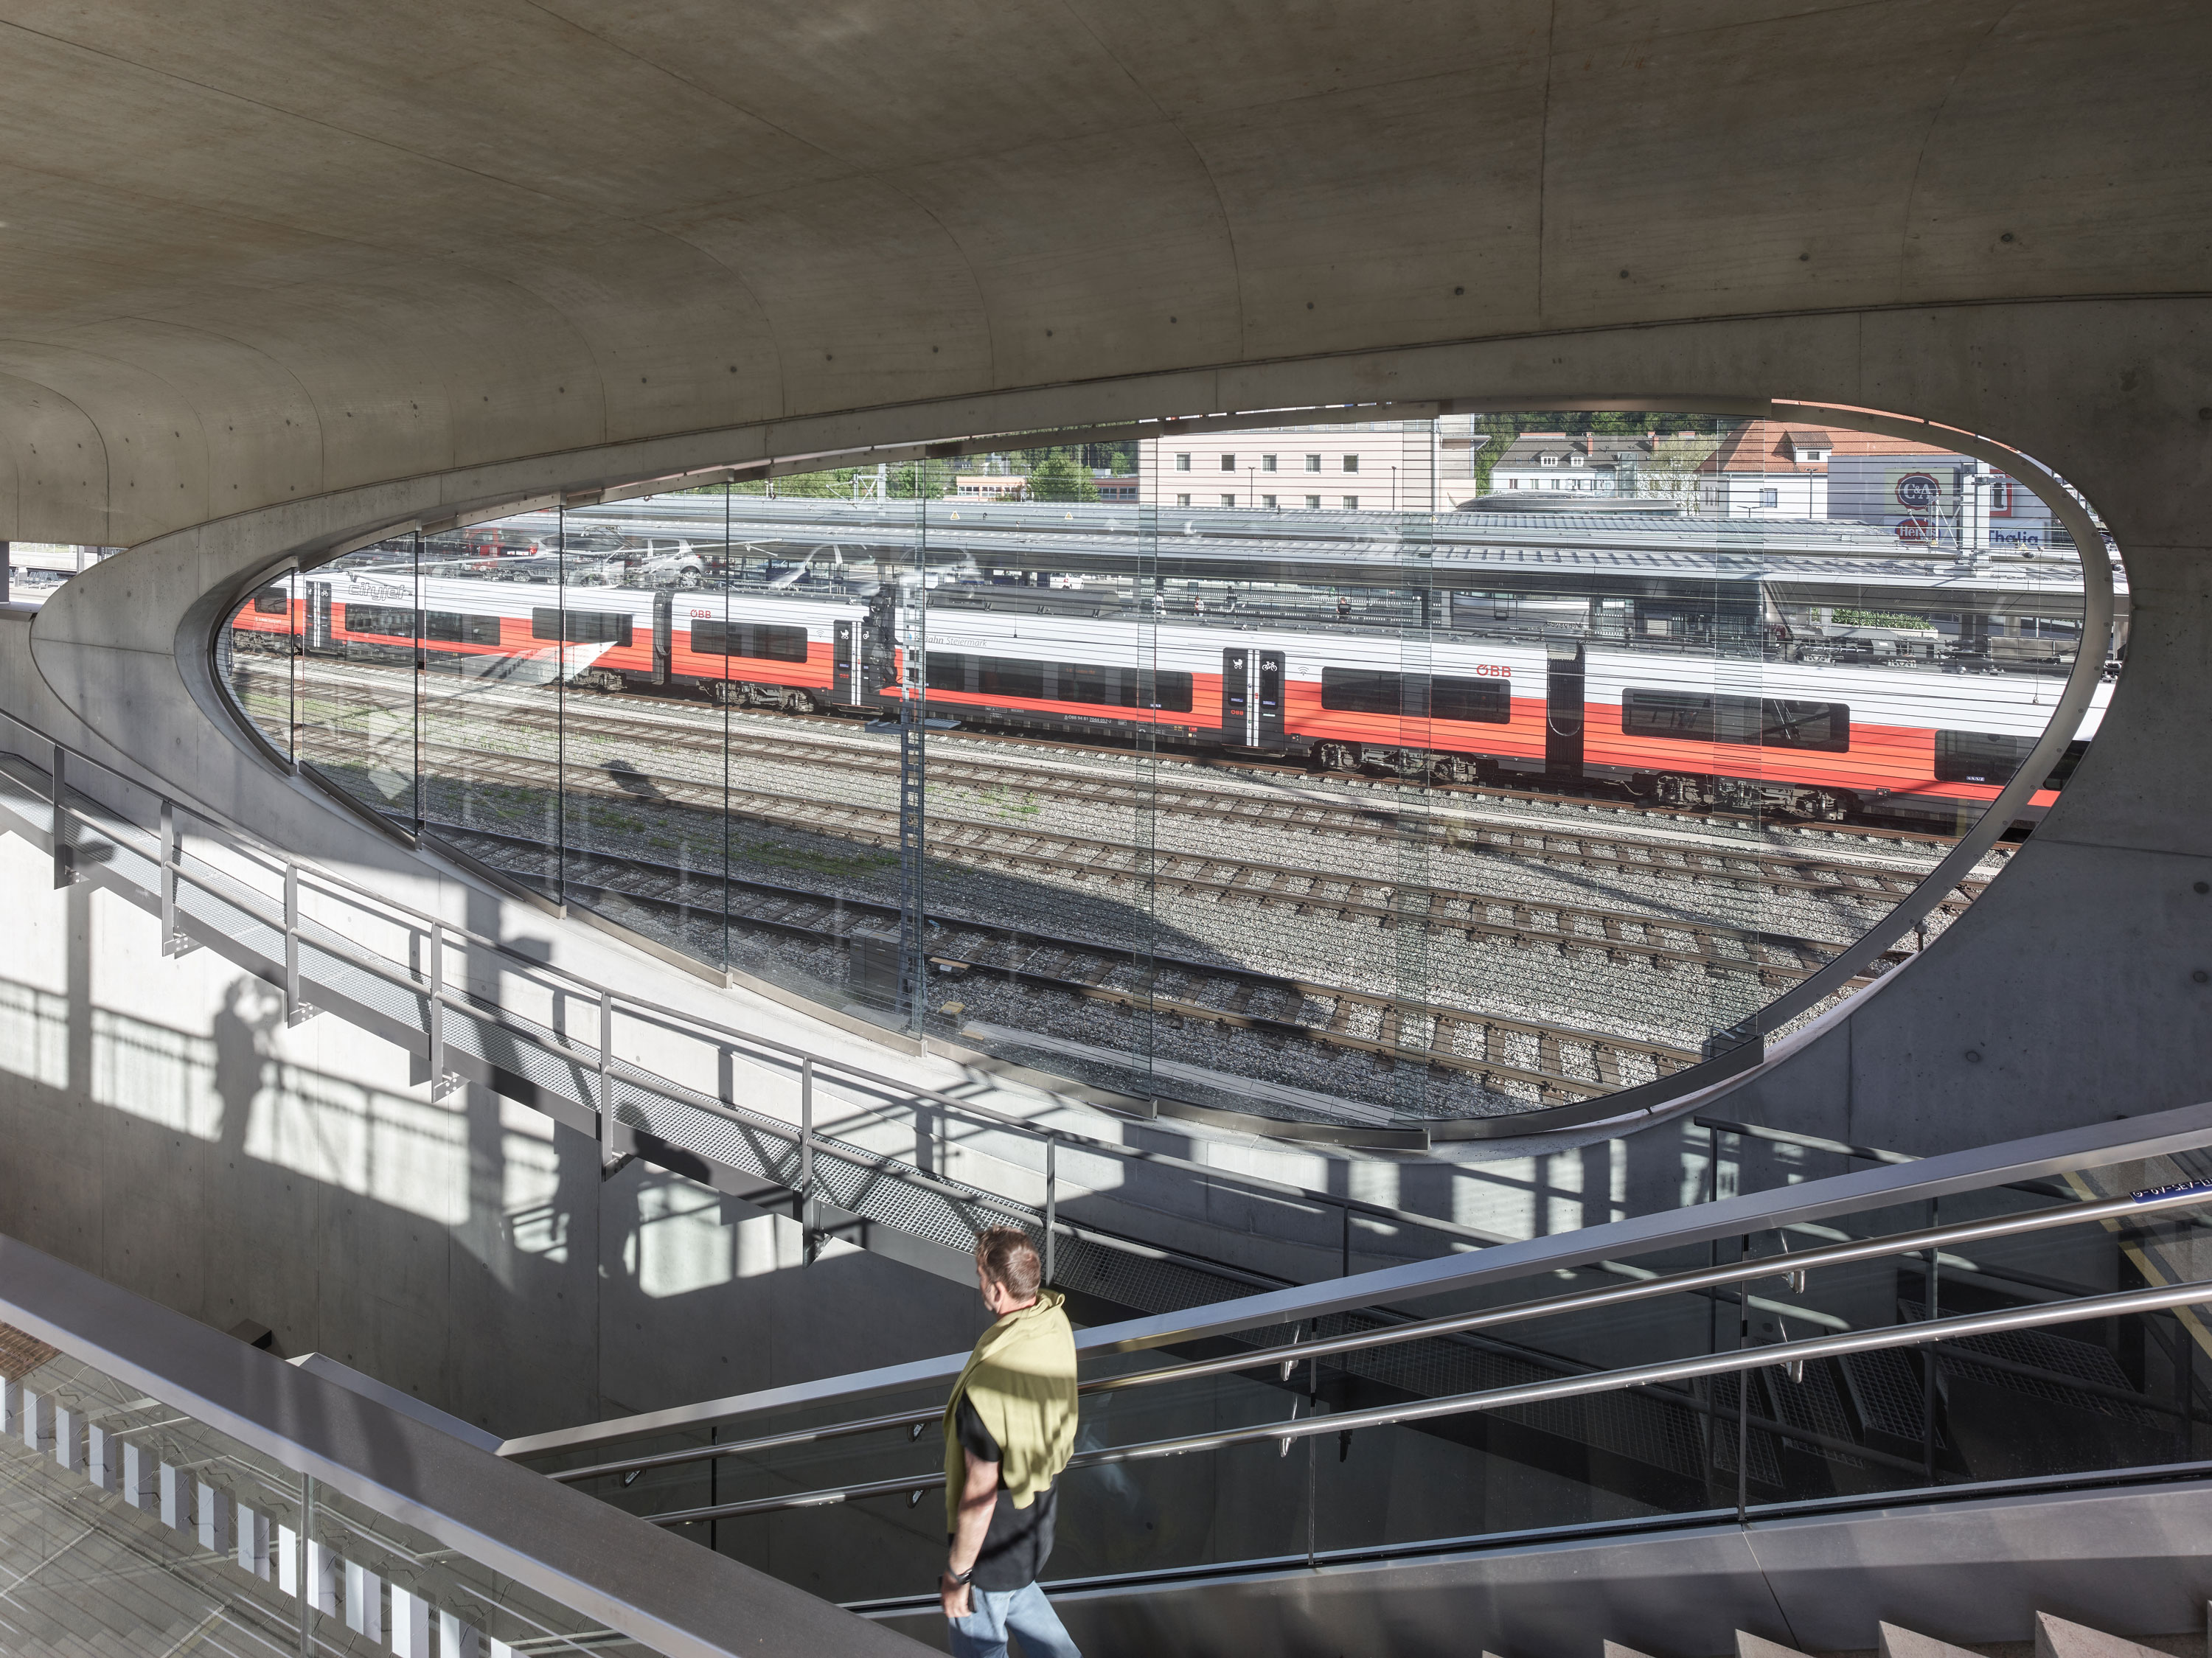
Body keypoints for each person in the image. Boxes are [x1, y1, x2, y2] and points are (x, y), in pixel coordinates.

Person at [940, 1227, 1080, 1658]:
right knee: (1022, 1601)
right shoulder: (1053, 1323)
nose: (978, 1282)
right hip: (1036, 1527)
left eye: (980, 1275)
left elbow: (980, 1494)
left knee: (980, 1644)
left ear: (997, 1290)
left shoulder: (986, 1389)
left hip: (993, 1549)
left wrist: (958, 1575)